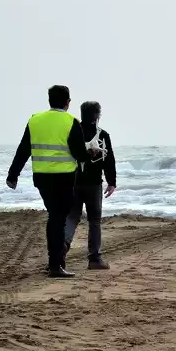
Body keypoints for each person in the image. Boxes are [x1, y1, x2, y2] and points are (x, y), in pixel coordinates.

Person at [6, 85, 95, 278]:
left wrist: (13, 175)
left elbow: (23, 149)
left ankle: (55, 262)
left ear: (49, 101)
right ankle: (55, 265)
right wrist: (90, 154)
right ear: (67, 102)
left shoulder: (34, 120)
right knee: (57, 218)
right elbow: (79, 153)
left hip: (41, 178)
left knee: (55, 216)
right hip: (64, 177)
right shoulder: (71, 121)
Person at [64, 101, 116, 270]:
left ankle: (61, 250)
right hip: (94, 183)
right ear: (98, 115)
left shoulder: (72, 132)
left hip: (73, 182)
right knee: (94, 220)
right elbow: (109, 160)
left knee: (71, 217)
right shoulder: (102, 135)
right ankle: (94, 259)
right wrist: (111, 182)